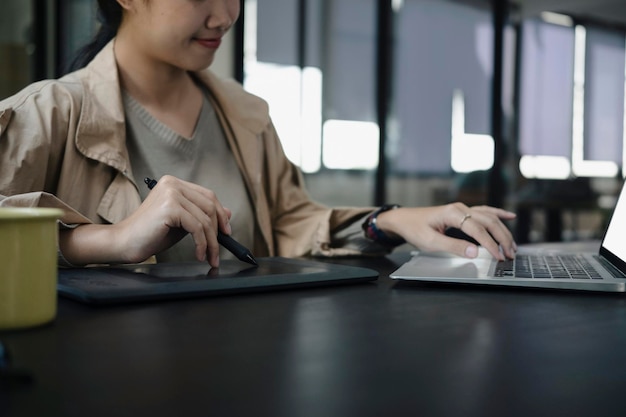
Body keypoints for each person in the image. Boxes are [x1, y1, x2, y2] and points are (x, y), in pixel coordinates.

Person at [0, 0, 517, 268]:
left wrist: (390, 221)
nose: (225, 15)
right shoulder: (46, 114)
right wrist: (111, 239)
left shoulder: (247, 114)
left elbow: (291, 224)